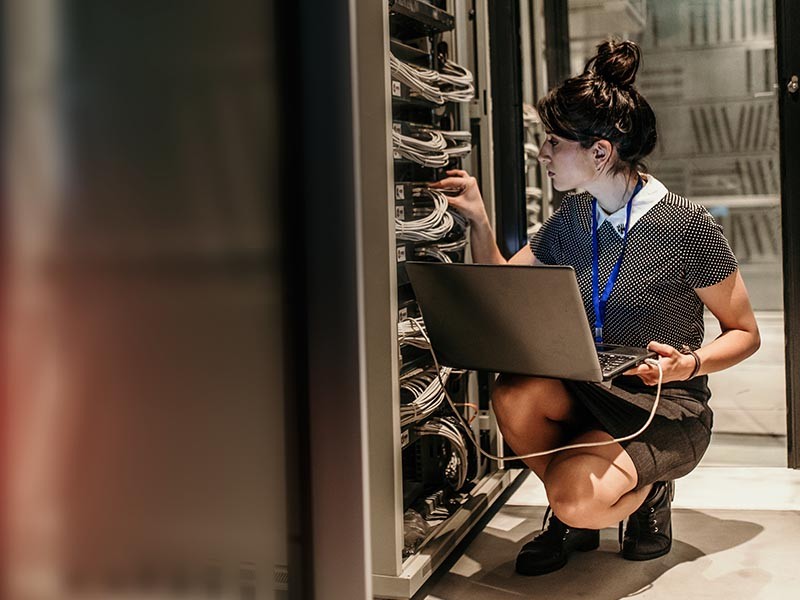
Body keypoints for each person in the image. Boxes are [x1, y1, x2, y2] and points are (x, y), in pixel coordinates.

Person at [429, 39, 760, 576]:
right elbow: (503, 288)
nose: (542, 153)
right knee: (514, 393)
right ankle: (574, 504)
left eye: (553, 142)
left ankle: (638, 495)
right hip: (587, 385)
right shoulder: (572, 218)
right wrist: (478, 219)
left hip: (662, 400)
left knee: (575, 499)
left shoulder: (687, 226)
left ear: (600, 152)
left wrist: (688, 365)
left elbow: (744, 332)